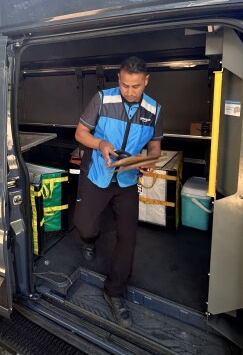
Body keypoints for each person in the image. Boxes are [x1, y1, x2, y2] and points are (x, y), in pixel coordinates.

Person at [73, 56, 163, 328]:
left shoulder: (154, 110)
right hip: (97, 175)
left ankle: (114, 292)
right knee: (85, 226)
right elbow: (80, 133)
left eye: (135, 86)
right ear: (119, 80)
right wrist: (100, 143)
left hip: (126, 180)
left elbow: (155, 147)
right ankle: (90, 240)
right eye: (124, 85)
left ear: (146, 81)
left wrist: (148, 161)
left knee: (128, 237)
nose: (129, 91)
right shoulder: (102, 99)